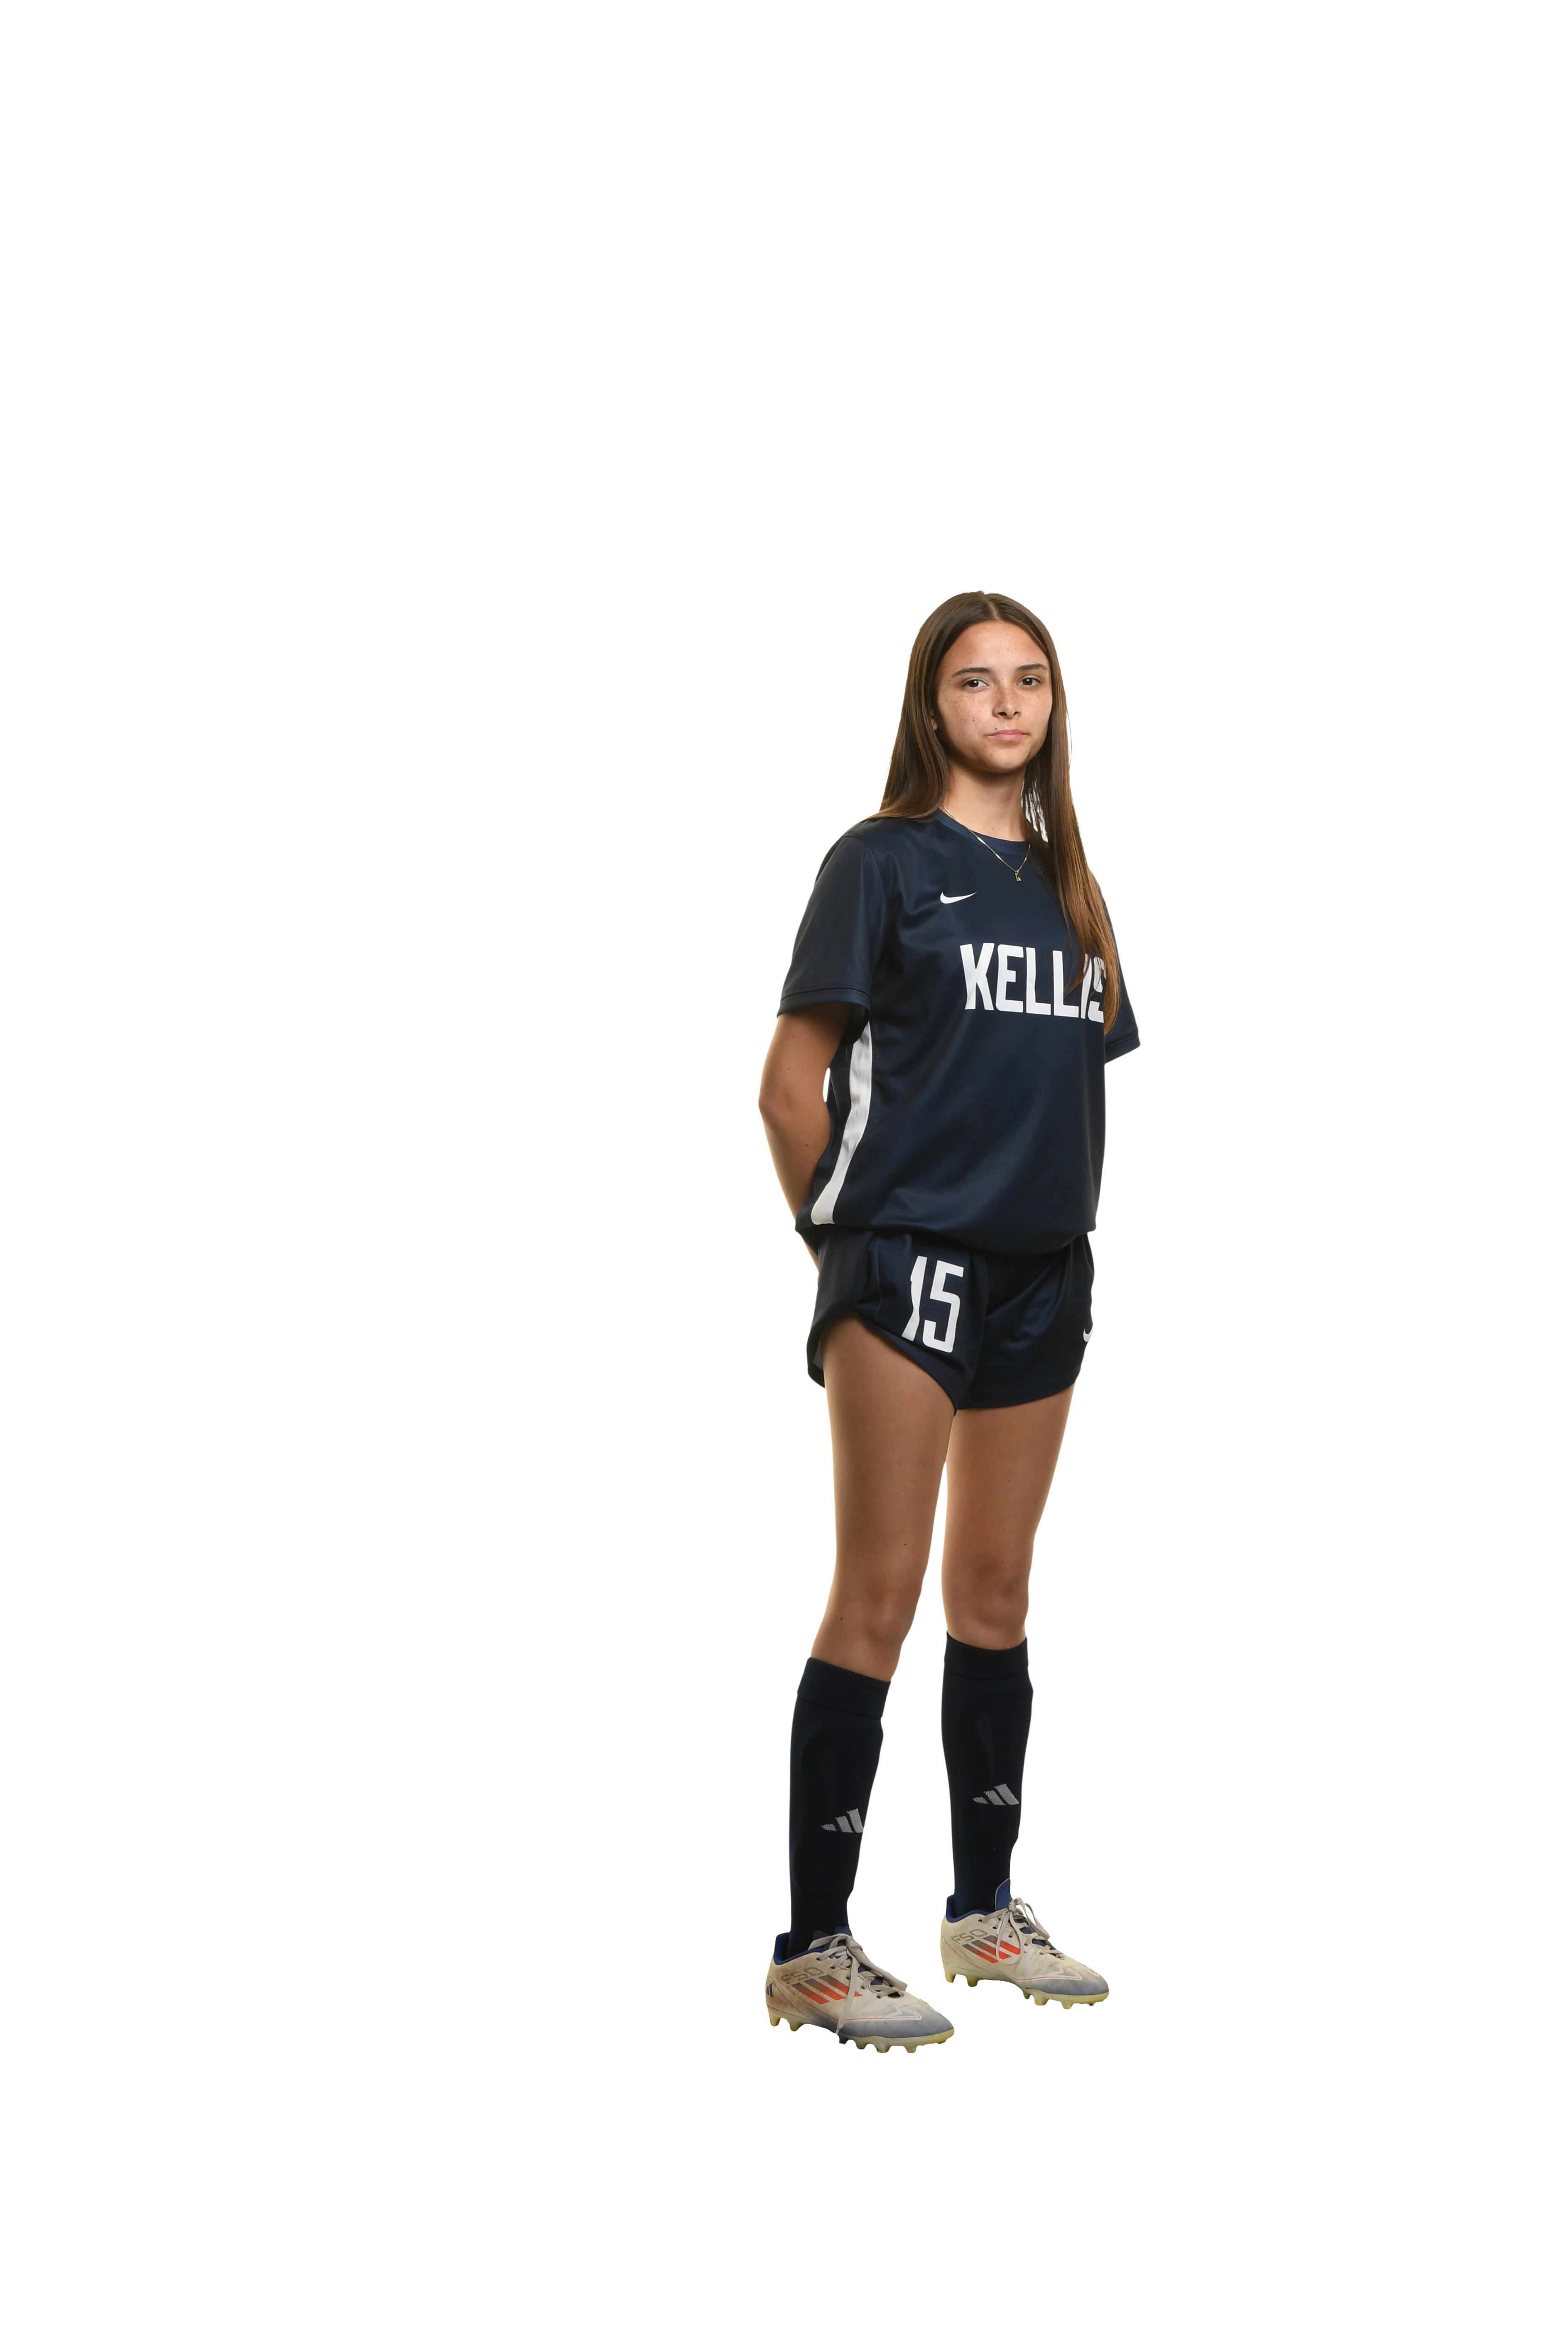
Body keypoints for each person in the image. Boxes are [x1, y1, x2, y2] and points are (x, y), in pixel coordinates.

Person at [757, 588, 1140, 2052]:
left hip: (1047, 1269)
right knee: (881, 1587)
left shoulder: (1076, 886)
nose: (1005, 702)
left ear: (1058, 703)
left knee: (996, 1592)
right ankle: (814, 1948)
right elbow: (790, 1087)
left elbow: (1061, 1084)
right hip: (908, 1261)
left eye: (1030, 678)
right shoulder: (881, 862)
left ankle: (985, 1909)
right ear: (931, 703)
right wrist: (846, 1249)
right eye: (975, 680)